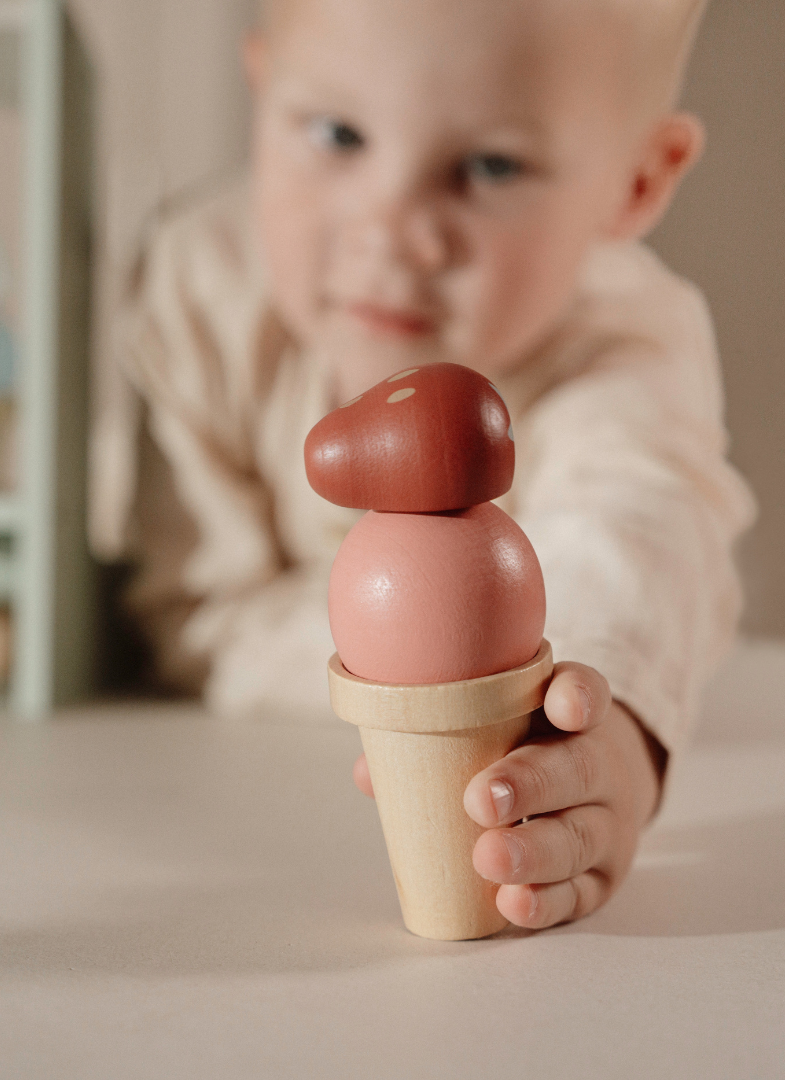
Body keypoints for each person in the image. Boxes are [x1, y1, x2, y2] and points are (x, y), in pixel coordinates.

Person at [90, 0, 756, 931]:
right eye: (337, 133)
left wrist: (610, 737)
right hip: (230, 804)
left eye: (490, 165)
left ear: (635, 182)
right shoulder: (202, 290)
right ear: (261, 89)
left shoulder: (626, 343)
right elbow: (200, 615)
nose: (394, 228)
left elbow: (640, 541)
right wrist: (417, 665)